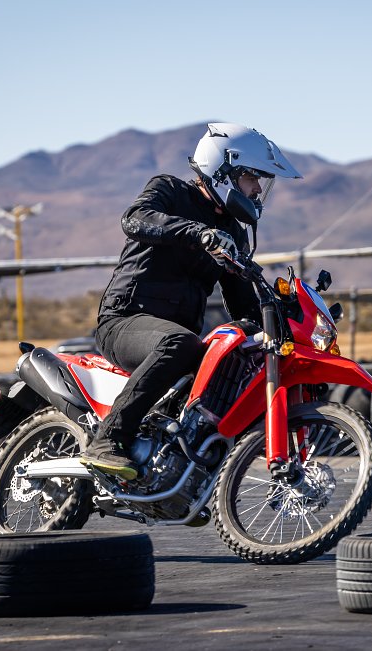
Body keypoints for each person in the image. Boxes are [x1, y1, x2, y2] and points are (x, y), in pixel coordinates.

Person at [81, 123, 302, 479]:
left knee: (234, 359)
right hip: (124, 320)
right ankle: (108, 439)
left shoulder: (232, 232)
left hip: (176, 339)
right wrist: (199, 234)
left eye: (261, 182)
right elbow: (134, 220)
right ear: (224, 171)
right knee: (179, 343)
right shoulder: (168, 190)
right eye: (252, 178)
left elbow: (243, 303)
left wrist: (287, 314)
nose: (258, 189)